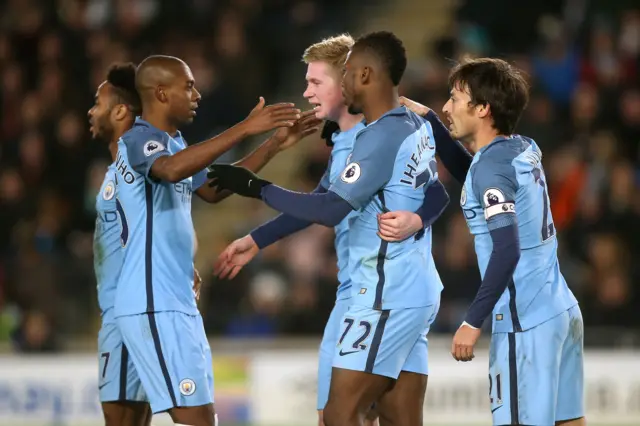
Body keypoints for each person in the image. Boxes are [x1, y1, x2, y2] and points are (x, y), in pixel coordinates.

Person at [208, 31, 459, 426]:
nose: (307, 91)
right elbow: (430, 192)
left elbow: (329, 208)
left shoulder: (375, 135)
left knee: (338, 415)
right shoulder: (361, 134)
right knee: (394, 416)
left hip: (382, 291)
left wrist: (255, 187)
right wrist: (258, 239)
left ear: (357, 77)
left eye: (317, 81)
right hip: (388, 288)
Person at [112, 55, 315, 426]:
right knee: (198, 419)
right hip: (154, 301)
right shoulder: (139, 139)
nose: (197, 94)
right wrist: (244, 128)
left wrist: (274, 145)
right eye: (188, 86)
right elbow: (170, 171)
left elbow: (212, 190)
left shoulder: (172, 142)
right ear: (160, 92)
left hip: (170, 297)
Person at [442, 57, 584, 426]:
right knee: (569, 421)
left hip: (526, 321)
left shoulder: (491, 169)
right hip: (560, 308)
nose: (447, 107)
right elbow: (476, 174)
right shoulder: (522, 147)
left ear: (483, 108)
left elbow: (507, 249)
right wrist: (429, 121)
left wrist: (473, 321)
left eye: (456, 98)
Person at [89, 63, 151, 426]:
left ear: (120, 111)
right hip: (121, 314)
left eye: (98, 103)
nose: (91, 111)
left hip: (125, 318)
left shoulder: (134, 159)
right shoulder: (120, 168)